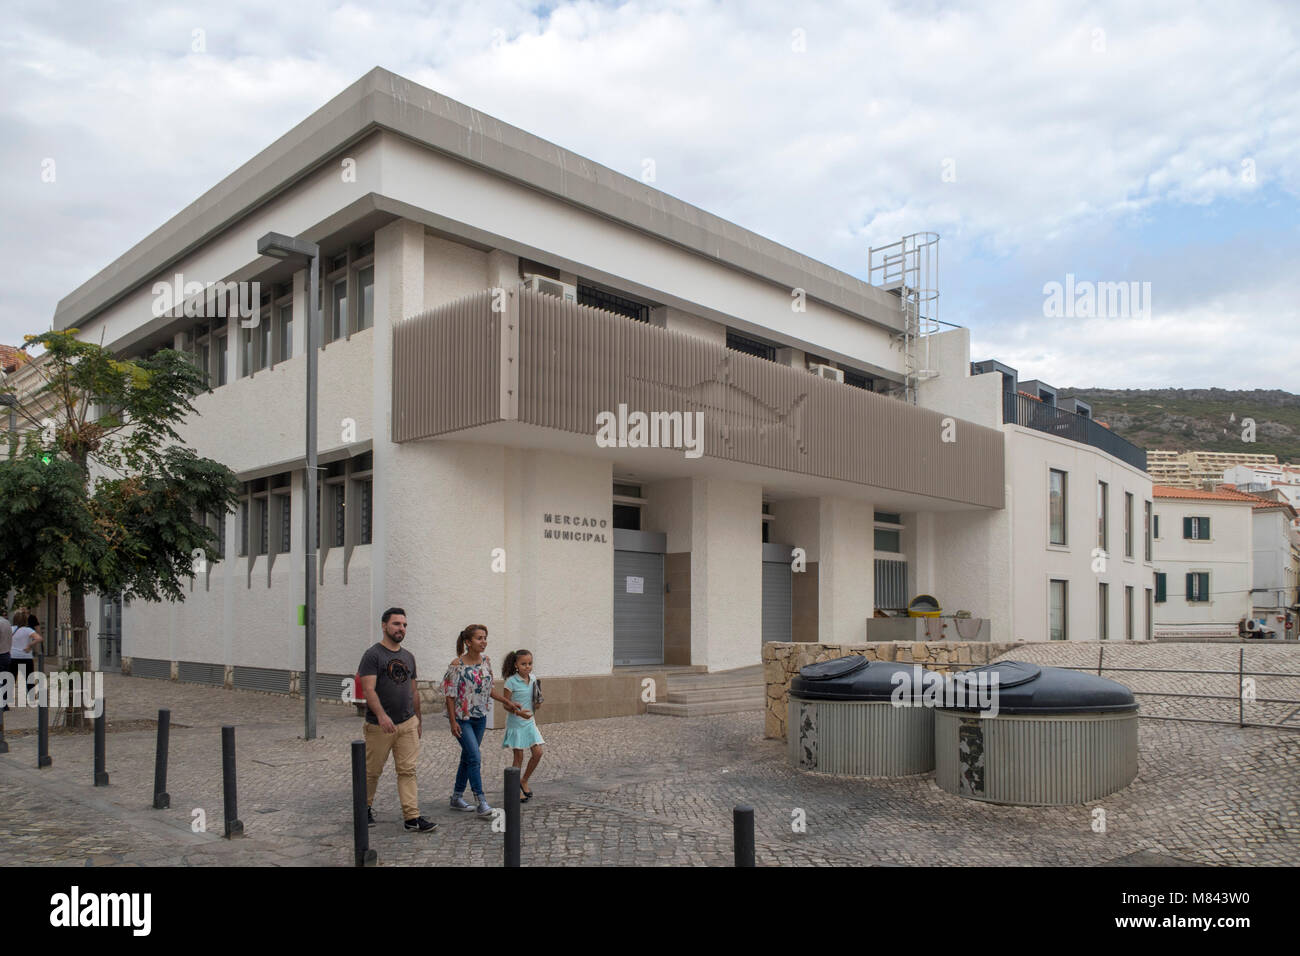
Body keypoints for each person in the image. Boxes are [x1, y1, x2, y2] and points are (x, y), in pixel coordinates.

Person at [357, 607, 436, 833]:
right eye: (396, 624)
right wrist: (381, 716)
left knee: (408, 771)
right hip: (379, 726)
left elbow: (414, 691)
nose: (401, 628)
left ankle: (412, 817)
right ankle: (364, 808)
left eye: (404, 625)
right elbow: (368, 689)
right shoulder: (373, 655)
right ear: (384, 626)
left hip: (407, 723)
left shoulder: (408, 656)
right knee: (372, 771)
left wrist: (418, 720)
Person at [442, 624, 520, 818]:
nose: (483, 641)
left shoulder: (486, 661)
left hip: (480, 717)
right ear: (468, 642)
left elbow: (489, 689)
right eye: (479, 638)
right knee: (475, 757)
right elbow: (449, 695)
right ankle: (481, 802)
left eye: (485, 637)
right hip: (462, 719)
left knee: (468, 756)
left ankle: (456, 797)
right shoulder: (456, 665)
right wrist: (453, 722)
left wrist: (506, 702)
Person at [501, 649, 545, 802]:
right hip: (516, 722)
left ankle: (524, 780)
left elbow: (536, 704)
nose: (527, 667)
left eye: (530, 663)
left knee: (538, 753)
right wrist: (518, 712)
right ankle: (514, 790)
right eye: (523, 664)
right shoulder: (510, 682)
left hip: (530, 721)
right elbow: (506, 705)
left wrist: (538, 703)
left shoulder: (533, 679)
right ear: (516, 665)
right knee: (518, 756)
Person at [10, 612, 42, 687]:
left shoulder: (10, 629)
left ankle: (8, 698)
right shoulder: (28, 630)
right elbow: (39, 638)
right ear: (25, 620)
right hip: (26, 657)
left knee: (10, 680)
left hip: (13, 657)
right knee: (29, 681)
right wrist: (29, 645)